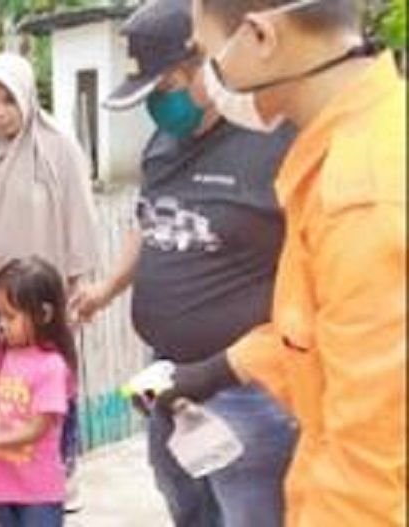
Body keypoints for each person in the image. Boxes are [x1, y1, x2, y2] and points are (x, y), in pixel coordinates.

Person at [141, 0, 406, 525]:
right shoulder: (346, 145)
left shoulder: (363, 196)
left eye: (206, 56)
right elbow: (317, 334)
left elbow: (367, 476)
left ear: (261, 37)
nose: (204, 85)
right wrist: (215, 371)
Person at [71, 1, 298, 525]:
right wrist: (108, 288)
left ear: (209, 62)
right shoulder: (162, 144)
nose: (158, 105)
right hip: (167, 373)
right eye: (149, 94)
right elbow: (150, 219)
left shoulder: (275, 142)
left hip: (246, 386)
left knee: (249, 512)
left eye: (167, 86)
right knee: (186, 503)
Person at [0, 50, 97, 512]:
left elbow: (80, 214)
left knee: (51, 383)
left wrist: (78, 279)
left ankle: (61, 471)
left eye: (8, 100)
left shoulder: (58, 147)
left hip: (44, 293)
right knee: (0, 384)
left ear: (27, 98)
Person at [0, 257, 77, 527]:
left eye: (10, 316)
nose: (1, 324)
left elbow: (37, 428)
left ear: (44, 314)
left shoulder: (51, 365)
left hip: (39, 492)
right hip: (0, 486)